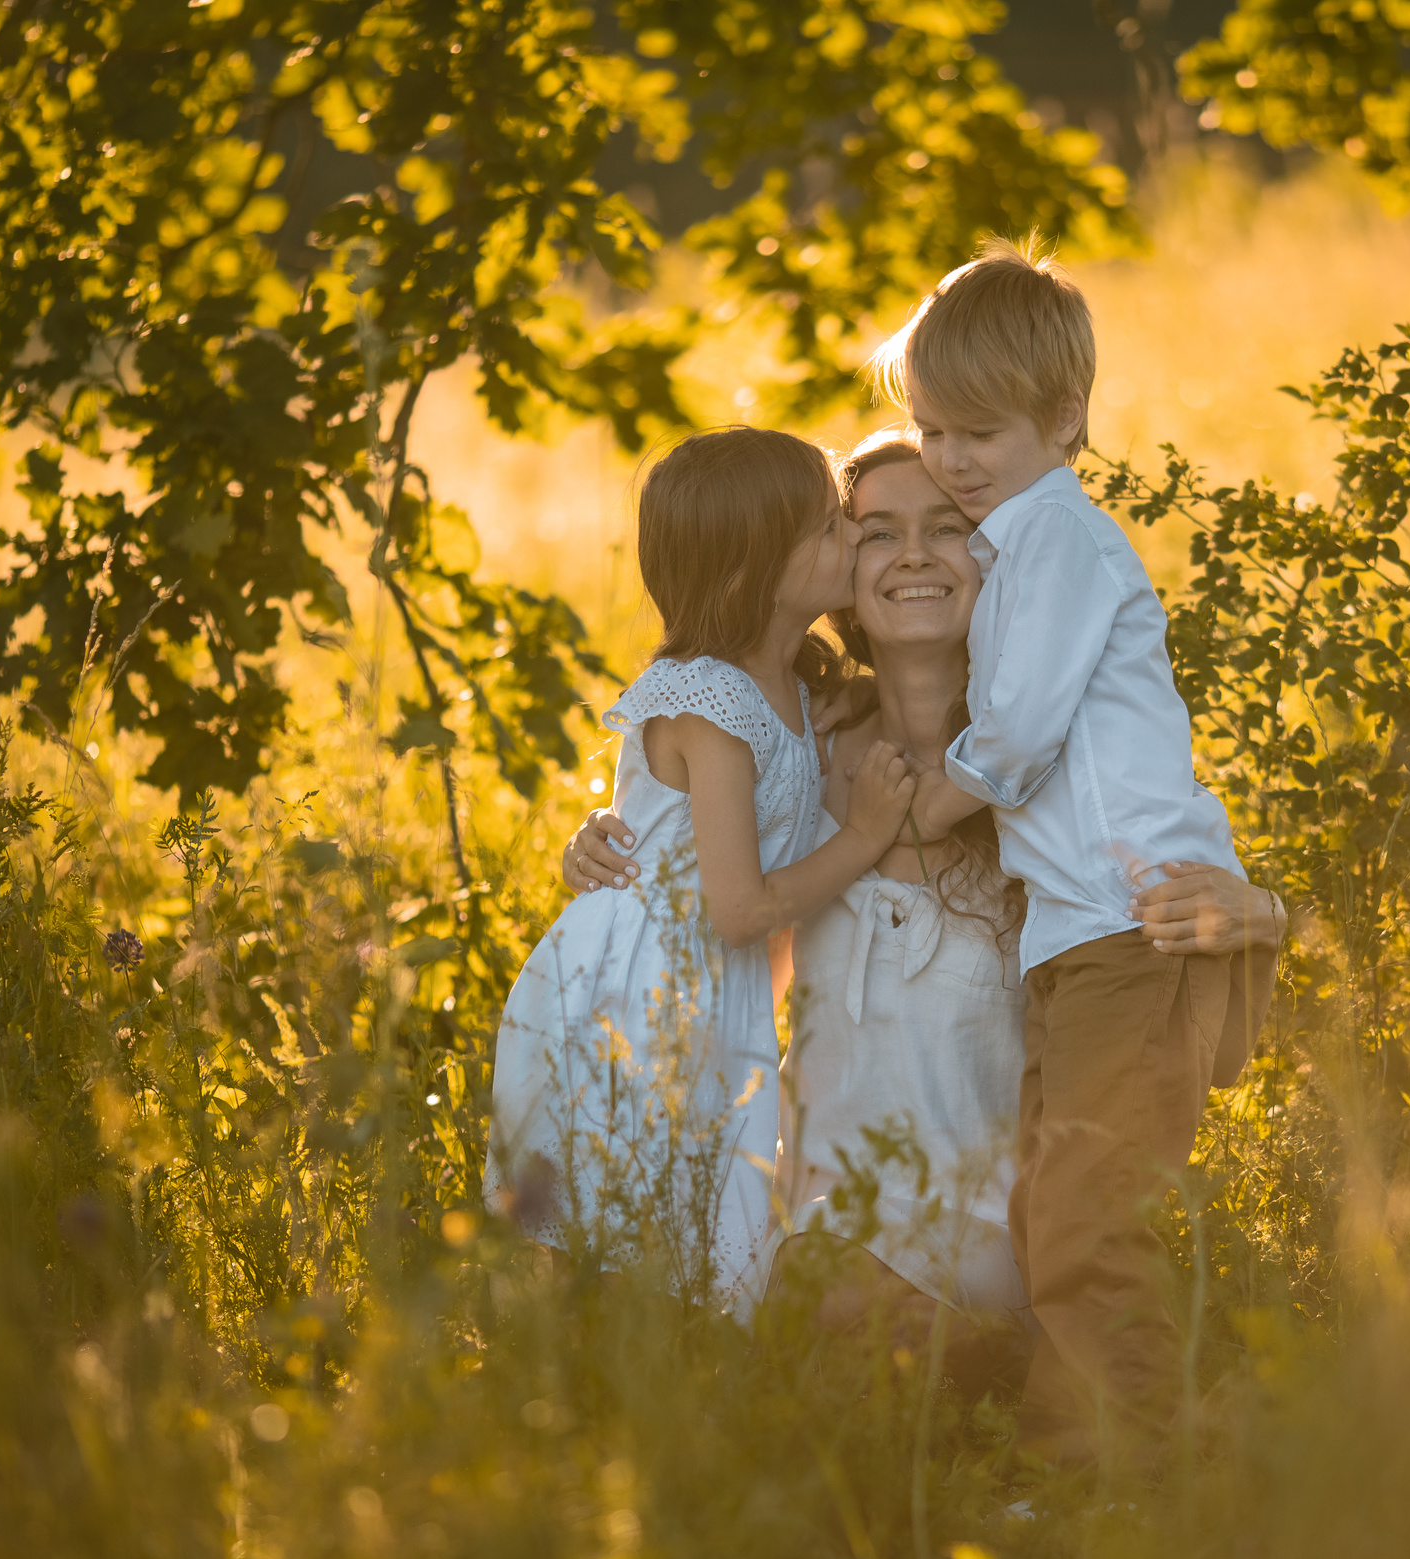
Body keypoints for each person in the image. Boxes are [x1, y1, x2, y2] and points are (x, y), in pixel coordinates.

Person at [562, 430, 1287, 1402]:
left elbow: (1205, 1050)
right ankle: (999, 1385)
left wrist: (1259, 912)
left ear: (1000, 564)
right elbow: (732, 933)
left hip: (1010, 1226)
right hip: (836, 1214)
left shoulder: (1072, 779)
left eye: (948, 527)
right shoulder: (794, 753)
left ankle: (1025, 1367)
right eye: (873, 532)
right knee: (758, 1296)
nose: (911, 554)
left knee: (812, 1315)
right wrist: (620, 845)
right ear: (829, 569)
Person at [864, 238, 1272, 1466]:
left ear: (1064, 418)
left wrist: (933, 801)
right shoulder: (1018, 539)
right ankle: (1084, 1446)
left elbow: (1025, 722)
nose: (950, 459)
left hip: (1134, 928)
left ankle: (1121, 1469)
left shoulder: (1054, 539)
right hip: (1088, 931)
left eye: (976, 433)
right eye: (932, 430)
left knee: (1091, 1220)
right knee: (1058, 1209)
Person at [484, 426, 921, 1315]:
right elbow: (740, 909)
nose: (853, 538)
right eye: (829, 528)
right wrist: (866, 837)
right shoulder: (711, 701)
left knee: (687, 1218)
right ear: (747, 572)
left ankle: (668, 1394)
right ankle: (568, 1402)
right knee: (616, 1235)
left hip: (704, 996)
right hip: (636, 1001)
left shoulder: (796, 686)